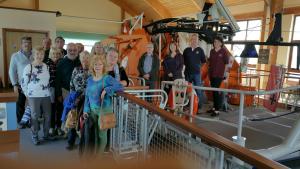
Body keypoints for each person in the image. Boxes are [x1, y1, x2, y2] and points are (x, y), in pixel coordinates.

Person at [83, 55, 123, 154]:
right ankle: (95, 154)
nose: (98, 66)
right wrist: (85, 110)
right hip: (92, 111)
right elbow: (87, 97)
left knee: (102, 135)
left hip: (104, 110)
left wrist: (107, 89)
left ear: (103, 66)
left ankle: (99, 158)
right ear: (92, 66)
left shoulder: (107, 78)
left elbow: (120, 86)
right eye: (95, 64)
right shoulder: (89, 80)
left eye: (100, 64)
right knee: (95, 134)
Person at [21, 46, 52, 145]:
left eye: (42, 54)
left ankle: (46, 134)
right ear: (34, 55)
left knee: (48, 116)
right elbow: (23, 83)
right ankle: (35, 135)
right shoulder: (28, 67)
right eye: (37, 54)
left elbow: (47, 80)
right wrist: (27, 94)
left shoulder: (46, 66)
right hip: (33, 96)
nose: (40, 56)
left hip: (46, 95)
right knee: (35, 116)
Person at [65, 51, 90, 150]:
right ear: (80, 59)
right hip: (75, 96)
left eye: (87, 57)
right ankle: (71, 142)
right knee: (72, 119)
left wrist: (81, 97)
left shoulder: (92, 71)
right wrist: (72, 96)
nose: (85, 59)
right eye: (83, 57)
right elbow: (71, 83)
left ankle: (83, 143)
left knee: (83, 120)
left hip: (86, 98)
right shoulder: (76, 69)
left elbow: (90, 86)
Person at [56, 43, 80, 134]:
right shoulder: (61, 62)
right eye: (70, 50)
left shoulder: (80, 61)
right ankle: (65, 129)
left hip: (77, 92)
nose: (72, 52)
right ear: (67, 50)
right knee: (65, 110)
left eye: (74, 50)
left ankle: (74, 131)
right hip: (65, 91)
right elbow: (57, 79)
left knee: (75, 111)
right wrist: (58, 94)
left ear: (77, 51)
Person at [9, 36, 33, 128]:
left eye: (28, 42)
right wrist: (14, 84)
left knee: (32, 104)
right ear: (21, 44)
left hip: (33, 84)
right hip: (20, 85)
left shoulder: (34, 55)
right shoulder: (15, 56)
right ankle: (20, 121)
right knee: (20, 103)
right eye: (24, 42)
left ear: (31, 44)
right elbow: (11, 71)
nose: (26, 44)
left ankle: (29, 120)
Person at [183, 34, 206, 111]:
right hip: (187, 73)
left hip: (196, 73)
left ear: (197, 41)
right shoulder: (186, 50)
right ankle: (188, 104)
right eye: (192, 39)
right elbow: (183, 61)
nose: (194, 41)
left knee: (198, 90)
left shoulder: (200, 50)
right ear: (190, 40)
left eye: (195, 40)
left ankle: (198, 107)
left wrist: (198, 67)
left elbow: (203, 62)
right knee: (187, 89)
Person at [207, 36, 229, 116]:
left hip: (219, 75)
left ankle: (217, 110)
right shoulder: (212, 51)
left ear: (221, 43)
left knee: (217, 92)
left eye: (217, 41)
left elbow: (226, 63)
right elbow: (210, 63)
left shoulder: (223, 51)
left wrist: (225, 74)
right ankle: (214, 107)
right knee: (213, 92)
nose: (215, 43)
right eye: (214, 41)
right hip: (211, 74)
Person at [44, 47, 63, 136]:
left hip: (60, 89)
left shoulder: (61, 62)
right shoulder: (46, 63)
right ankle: (51, 127)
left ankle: (59, 127)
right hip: (50, 89)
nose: (56, 55)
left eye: (58, 54)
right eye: (54, 53)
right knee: (51, 109)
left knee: (59, 108)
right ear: (50, 54)